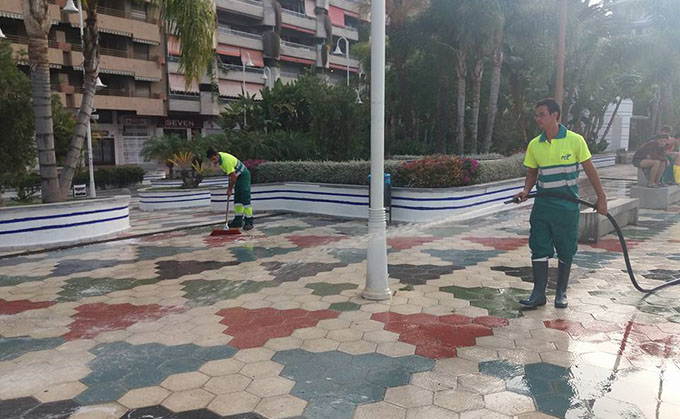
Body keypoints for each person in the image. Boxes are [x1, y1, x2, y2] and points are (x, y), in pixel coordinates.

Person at [514, 98, 607, 309]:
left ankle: (561, 292)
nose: (537, 119)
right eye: (536, 115)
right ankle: (538, 294)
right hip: (543, 207)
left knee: (566, 248)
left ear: (554, 115)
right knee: (538, 246)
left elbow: (590, 170)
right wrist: (526, 191)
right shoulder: (534, 144)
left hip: (567, 207)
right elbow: (532, 172)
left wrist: (601, 197)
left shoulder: (575, 141)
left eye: (541, 114)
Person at [207, 148, 254, 230]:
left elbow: (233, 177)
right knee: (238, 200)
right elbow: (231, 175)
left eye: (214, 159)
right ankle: (238, 221)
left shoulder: (226, 161)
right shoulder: (220, 159)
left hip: (243, 176)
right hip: (237, 177)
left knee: (245, 199)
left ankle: (249, 222)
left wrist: (229, 189)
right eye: (211, 160)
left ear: (217, 155)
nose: (213, 162)